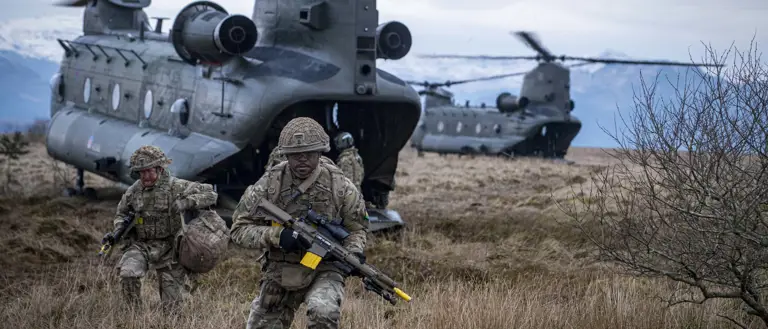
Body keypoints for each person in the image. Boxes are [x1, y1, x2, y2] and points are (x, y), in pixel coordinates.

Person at [230, 117, 369, 329]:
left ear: (321, 152)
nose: (302, 160)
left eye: (309, 154)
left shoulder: (340, 186)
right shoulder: (269, 184)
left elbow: (357, 229)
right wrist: (277, 236)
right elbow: (239, 229)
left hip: (325, 268)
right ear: (286, 155)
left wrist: (354, 251)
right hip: (281, 270)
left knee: (323, 313)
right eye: (295, 155)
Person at [102, 145, 218, 314]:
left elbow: (211, 195)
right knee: (128, 274)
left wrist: (186, 203)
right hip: (142, 245)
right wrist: (120, 228)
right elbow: (121, 213)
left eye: (149, 171)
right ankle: (134, 316)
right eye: (141, 173)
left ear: (159, 168)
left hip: (170, 249)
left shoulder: (175, 186)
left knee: (173, 310)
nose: (145, 177)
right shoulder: (134, 191)